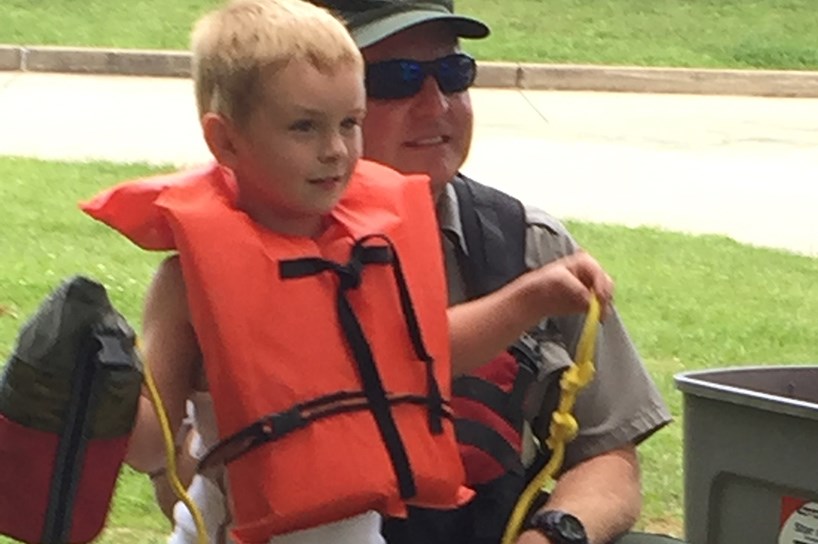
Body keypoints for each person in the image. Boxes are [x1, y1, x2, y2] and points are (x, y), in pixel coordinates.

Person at [84, 0, 611, 541]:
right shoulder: (187, 281)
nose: (335, 151)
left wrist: (532, 297)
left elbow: (427, 354)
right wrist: (100, 389)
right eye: (304, 127)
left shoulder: (373, 248)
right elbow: (152, 448)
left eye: (350, 123)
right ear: (226, 141)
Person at [307, 2, 676, 543]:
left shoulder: (531, 244)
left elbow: (609, 455)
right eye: (395, 80)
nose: (436, 107)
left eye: (453, 75)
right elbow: (190, 480)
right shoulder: (274, 261)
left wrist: (552, 535)